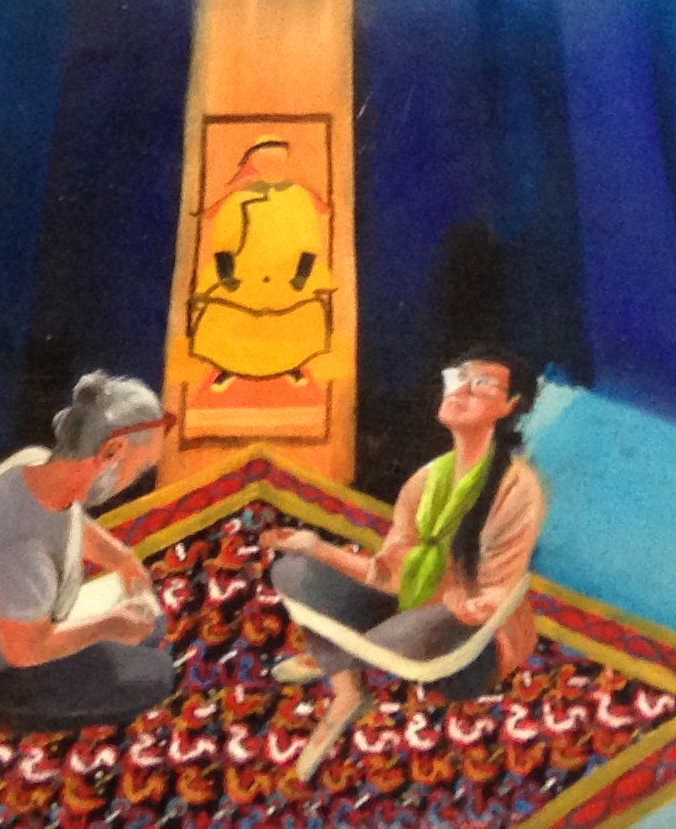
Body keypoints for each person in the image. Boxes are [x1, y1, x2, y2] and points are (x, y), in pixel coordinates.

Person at [263, 346, 547, 780]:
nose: (462, 390)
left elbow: (497, 592)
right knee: (293, 570)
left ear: (510, 406)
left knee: (391, 637)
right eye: (460, 377)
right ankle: (348, 690)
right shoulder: (424, 480)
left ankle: (340, 654)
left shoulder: (517, 489)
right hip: (405, 610)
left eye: (483, 384)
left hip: (472, 645)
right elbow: (387, 574)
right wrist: (316, 547)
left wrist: (467, 607)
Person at [0, 372, 177, 731]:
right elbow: (25, 652)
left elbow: (72, 523)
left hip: (27, 616)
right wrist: (107, 626)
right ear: (112, 452)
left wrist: (122, 560)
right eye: (137, 470)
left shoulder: (38, 463)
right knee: (158, 674)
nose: (131, 482)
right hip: (10, 665)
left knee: (153, 625)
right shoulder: (18, 553)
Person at [187, 137, 332, 384]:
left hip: (288, 271)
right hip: (245, 271)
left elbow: (309, 237)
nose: (273, 168)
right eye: (266, 163)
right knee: (230, 315)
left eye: (278, 163)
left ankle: (292, 364)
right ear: (255, 166)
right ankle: (229, 366)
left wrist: (302, 274)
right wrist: (227, 275)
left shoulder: (299, 197)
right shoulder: (238, 199)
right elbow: (225, 239)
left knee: (294, 317)